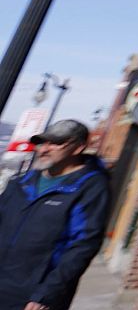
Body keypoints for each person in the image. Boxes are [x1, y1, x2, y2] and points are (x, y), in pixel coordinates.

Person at [0, 120, 110, 310]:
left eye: (55, 143)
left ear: (79, 147)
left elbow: (83, 245)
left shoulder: (90, 187)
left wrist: (47, 294)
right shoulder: (20, 183)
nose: (44, 149)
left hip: (31, 295)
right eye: (42, 143)